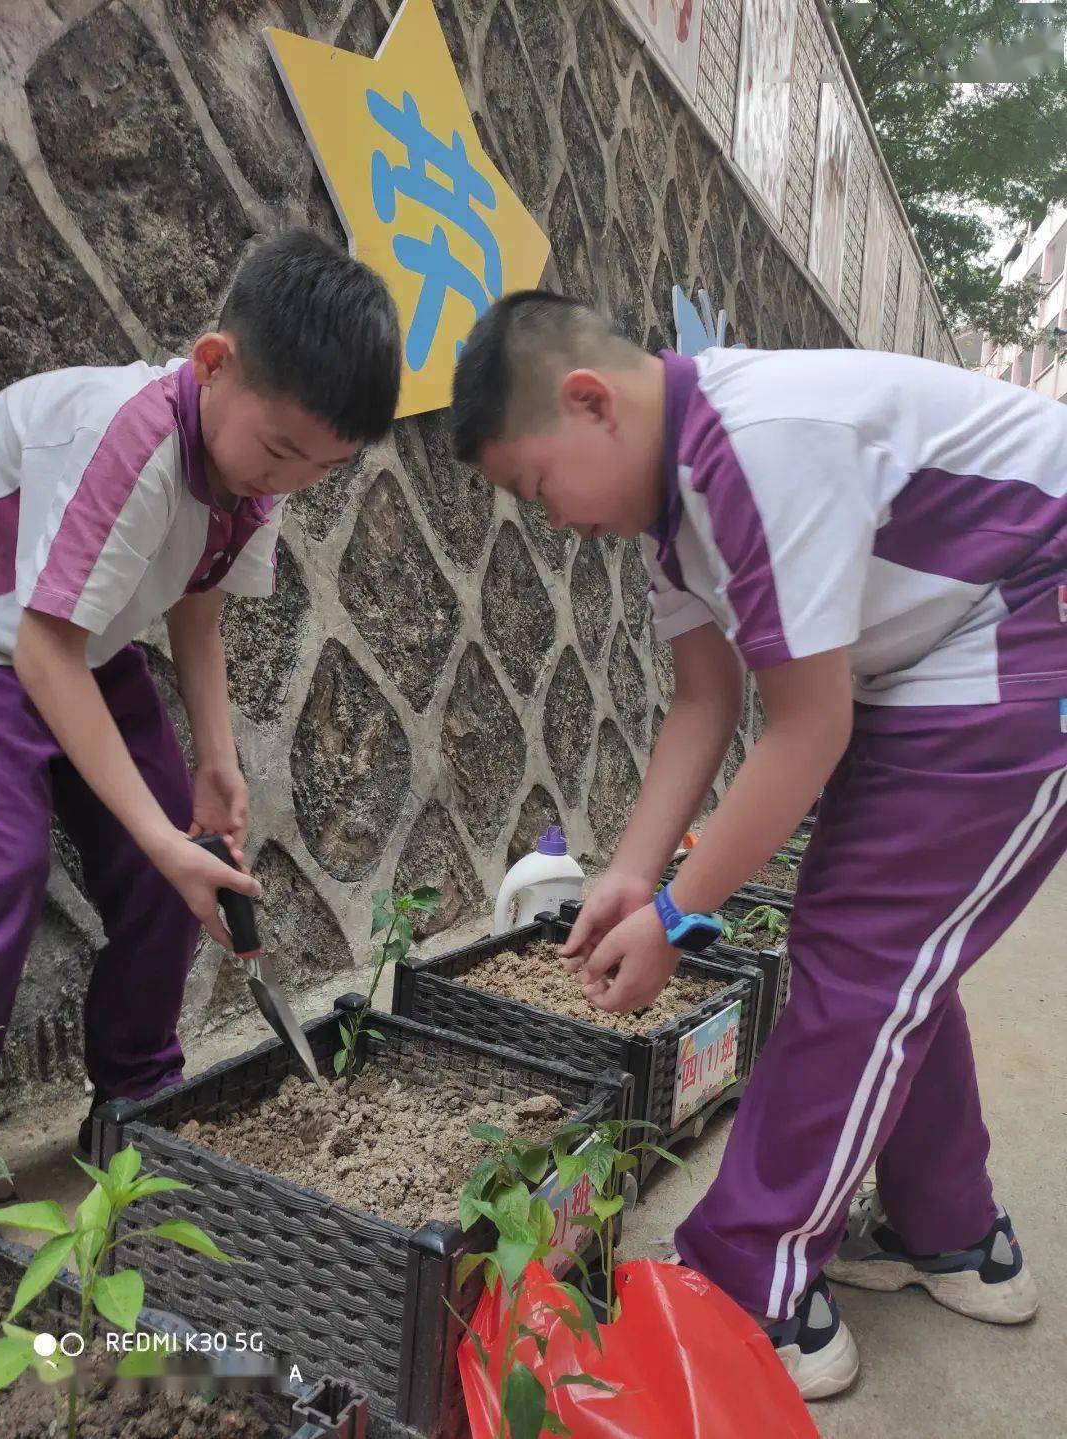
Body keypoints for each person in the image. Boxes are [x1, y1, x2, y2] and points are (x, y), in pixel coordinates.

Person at [450, 291, 1067, 1398]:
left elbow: (806, 728)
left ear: (589, 401)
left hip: (1028, 629)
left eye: (536, 486)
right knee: (887, 947)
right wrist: (633, 873)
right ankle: (951, 1236)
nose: (550, 520)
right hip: (944, 649)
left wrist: (680, 920)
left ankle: (750, 1292)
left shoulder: (758, 445)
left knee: (870, 950)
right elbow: (703, 700)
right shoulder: (669, 512)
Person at [0, 228, 400, 1149]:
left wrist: (217, 766)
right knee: (0, 866)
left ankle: (136, 1101)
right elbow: (42, 652)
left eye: (321, 470)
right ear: (214, 364)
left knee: (181, 844)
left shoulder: (254, 465)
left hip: (79, 647)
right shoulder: (126, 437)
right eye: (284, 451)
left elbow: (198, 605)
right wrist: (160, 838)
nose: (287, 481)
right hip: (7, 647)